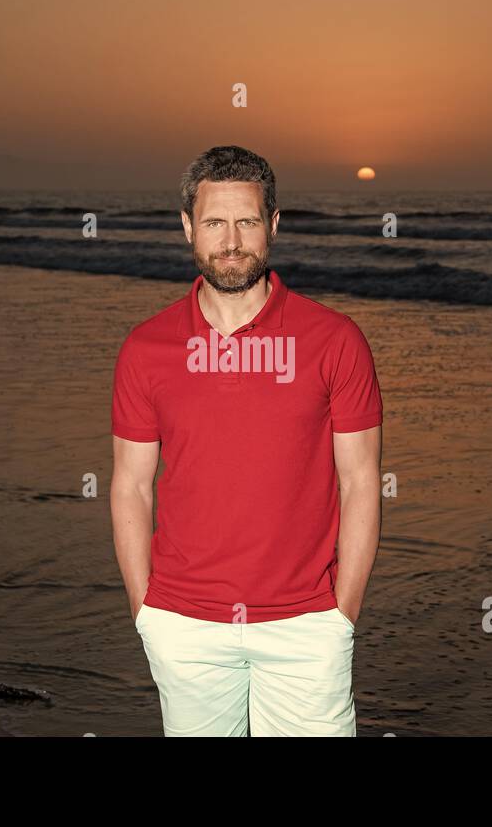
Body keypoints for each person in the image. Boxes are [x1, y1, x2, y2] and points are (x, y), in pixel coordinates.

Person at [110, 144, 383, 736]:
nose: (231, 240)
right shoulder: (145, 349)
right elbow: (131, 484)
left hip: (307, 626)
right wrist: (145, 611)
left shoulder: (335, 341)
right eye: (213, 222)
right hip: (184, 625)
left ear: (273, 226)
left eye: (247, 221)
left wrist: (343, 612)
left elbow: (361, 479)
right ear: (188, 227)